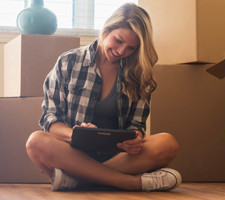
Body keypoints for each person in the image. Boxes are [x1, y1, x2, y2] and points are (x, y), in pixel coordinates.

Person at [26, 3, 181, 192]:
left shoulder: (138, 73)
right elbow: (50, 120)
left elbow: (136, 126)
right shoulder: (68, 62)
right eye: (118, 41)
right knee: (36, 141)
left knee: (167, 143)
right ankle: (132, 183)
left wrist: (135, 139)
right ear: (106, 30)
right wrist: (74, 134)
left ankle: (78, 181)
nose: (122, 51)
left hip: (118, 156)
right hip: (73, 153)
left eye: (131, 48)